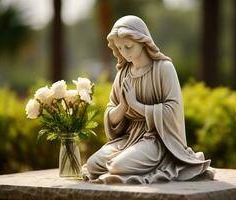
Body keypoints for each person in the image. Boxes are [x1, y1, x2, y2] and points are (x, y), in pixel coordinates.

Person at [82, 15, 214, 184]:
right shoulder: (123, 73)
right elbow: (111, 115)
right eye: (120, 48)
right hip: (128, 139)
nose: (124, 52)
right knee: (93, 165)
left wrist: (136, 105)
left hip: (157, 140)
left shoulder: (163, 69)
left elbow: (173, 110)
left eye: (128, 46)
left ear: (143, 41)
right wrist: (124, 105)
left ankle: (156, 164)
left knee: (118, 167)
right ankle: (129, 160)